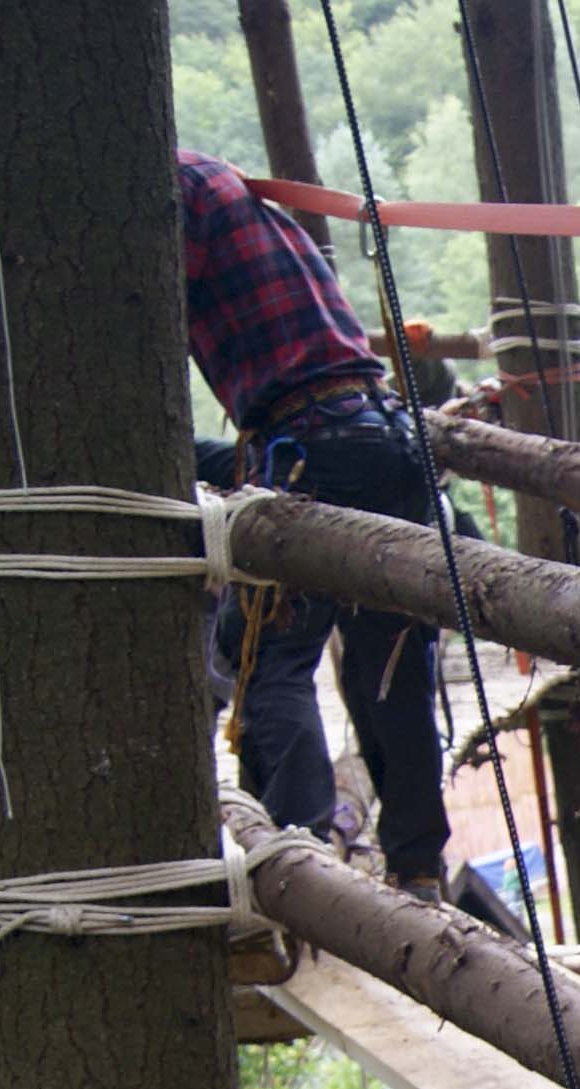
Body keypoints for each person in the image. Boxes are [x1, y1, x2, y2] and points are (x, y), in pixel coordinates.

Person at [175, 147, 452, 898]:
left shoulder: (172, 191)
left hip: (310, 444)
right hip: (380, 435)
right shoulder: (238, 198)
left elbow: (133, 311)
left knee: (267, 653)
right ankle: (417, 866)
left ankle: (299, 859)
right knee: (386, 664)